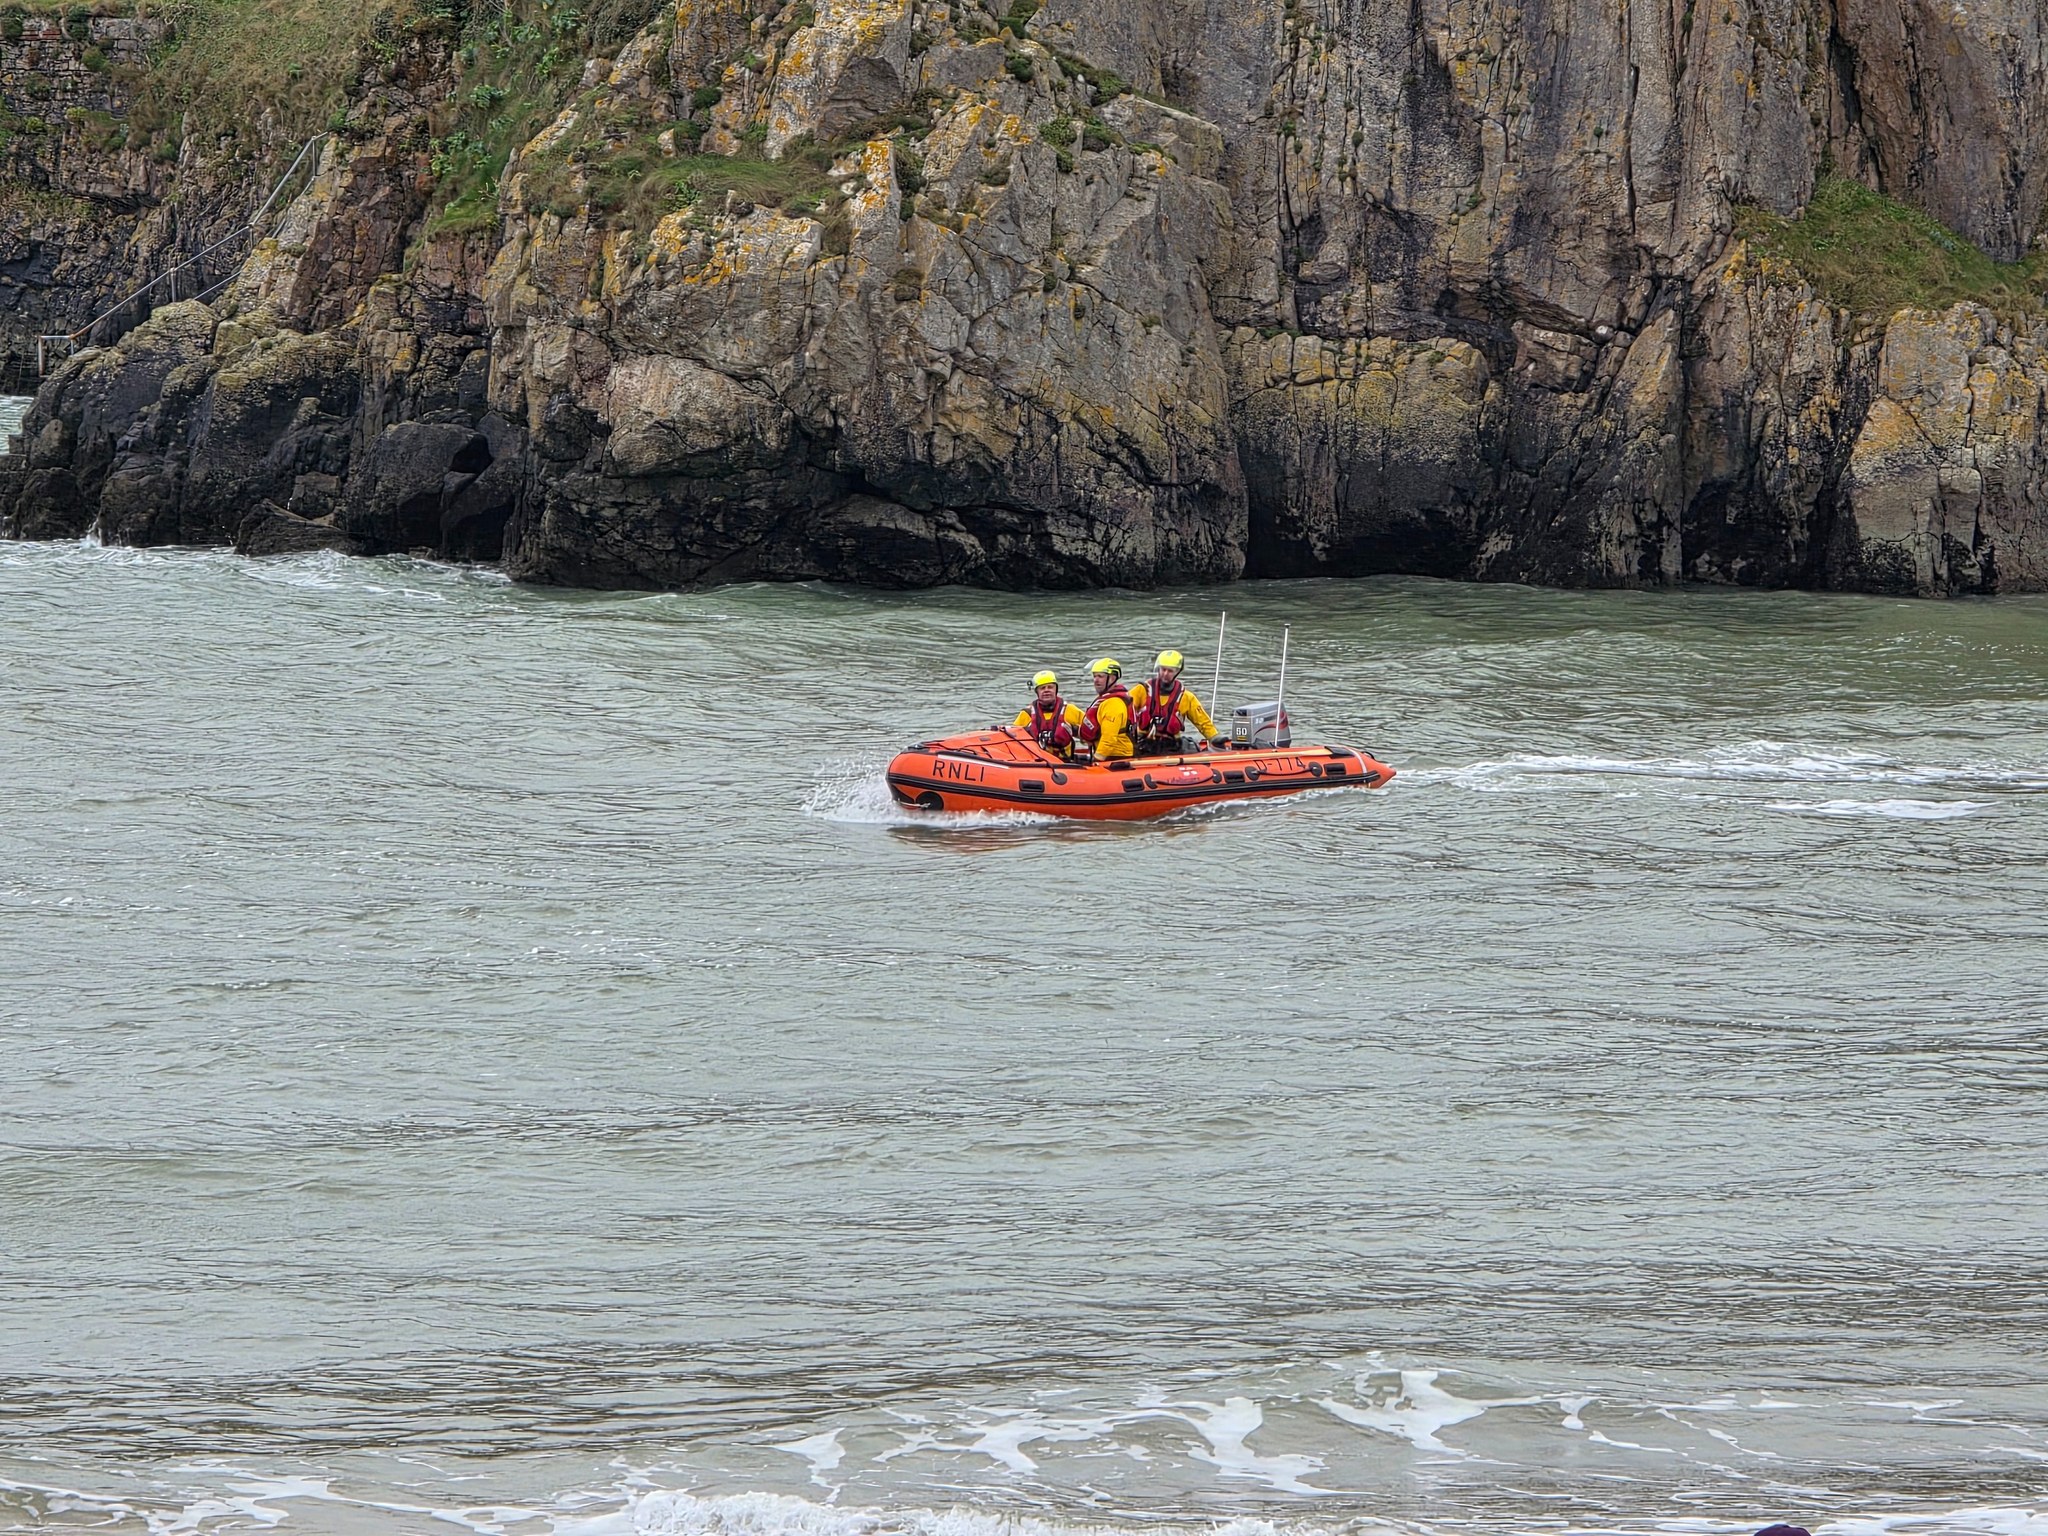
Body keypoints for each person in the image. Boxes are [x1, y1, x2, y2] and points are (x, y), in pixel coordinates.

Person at [1131, 649, 1221, 754]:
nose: (1165, 674)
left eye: (1170, 671)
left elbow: (1202, 722)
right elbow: (1123, 710)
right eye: (1163, 669)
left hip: (1172, 746)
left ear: (1177, 672)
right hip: (1143, 744)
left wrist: (1214, 737)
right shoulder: (1141, 691)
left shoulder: (1186, 697)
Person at [1075, 657, 1138, 762]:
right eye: (1094, 676)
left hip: (1117, 756)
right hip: (1108, 754)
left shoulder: (1114, 703)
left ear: (1112, 678)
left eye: (1100, 676)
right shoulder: (1106, 699)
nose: (1096, 680)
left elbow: (1109, 739)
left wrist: (1097, 759)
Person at [1012, 669, 1084, 758]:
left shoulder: (1069, 710)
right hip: (1036, 762)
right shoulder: (1027, 713)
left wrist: (1075, 730)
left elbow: (1091, 733)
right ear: (1037, 692)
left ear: (1056, 689)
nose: (1046, 690)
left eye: (1050, 687)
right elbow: (1012, 738)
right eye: (1042, 688)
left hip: (1065, 762)